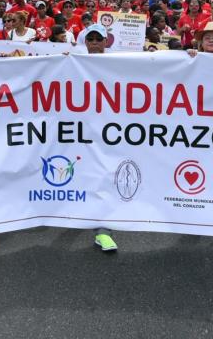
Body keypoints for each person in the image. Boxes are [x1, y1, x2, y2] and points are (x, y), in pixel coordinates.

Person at [79, 23, 119, 253]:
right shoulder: (73, 61)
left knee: (106, 176)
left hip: (110, 130)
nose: (94, 42)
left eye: (98, 39)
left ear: (106, 42)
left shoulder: (118, 62)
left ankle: (103, 231)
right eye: (90, 39)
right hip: (81, 130)